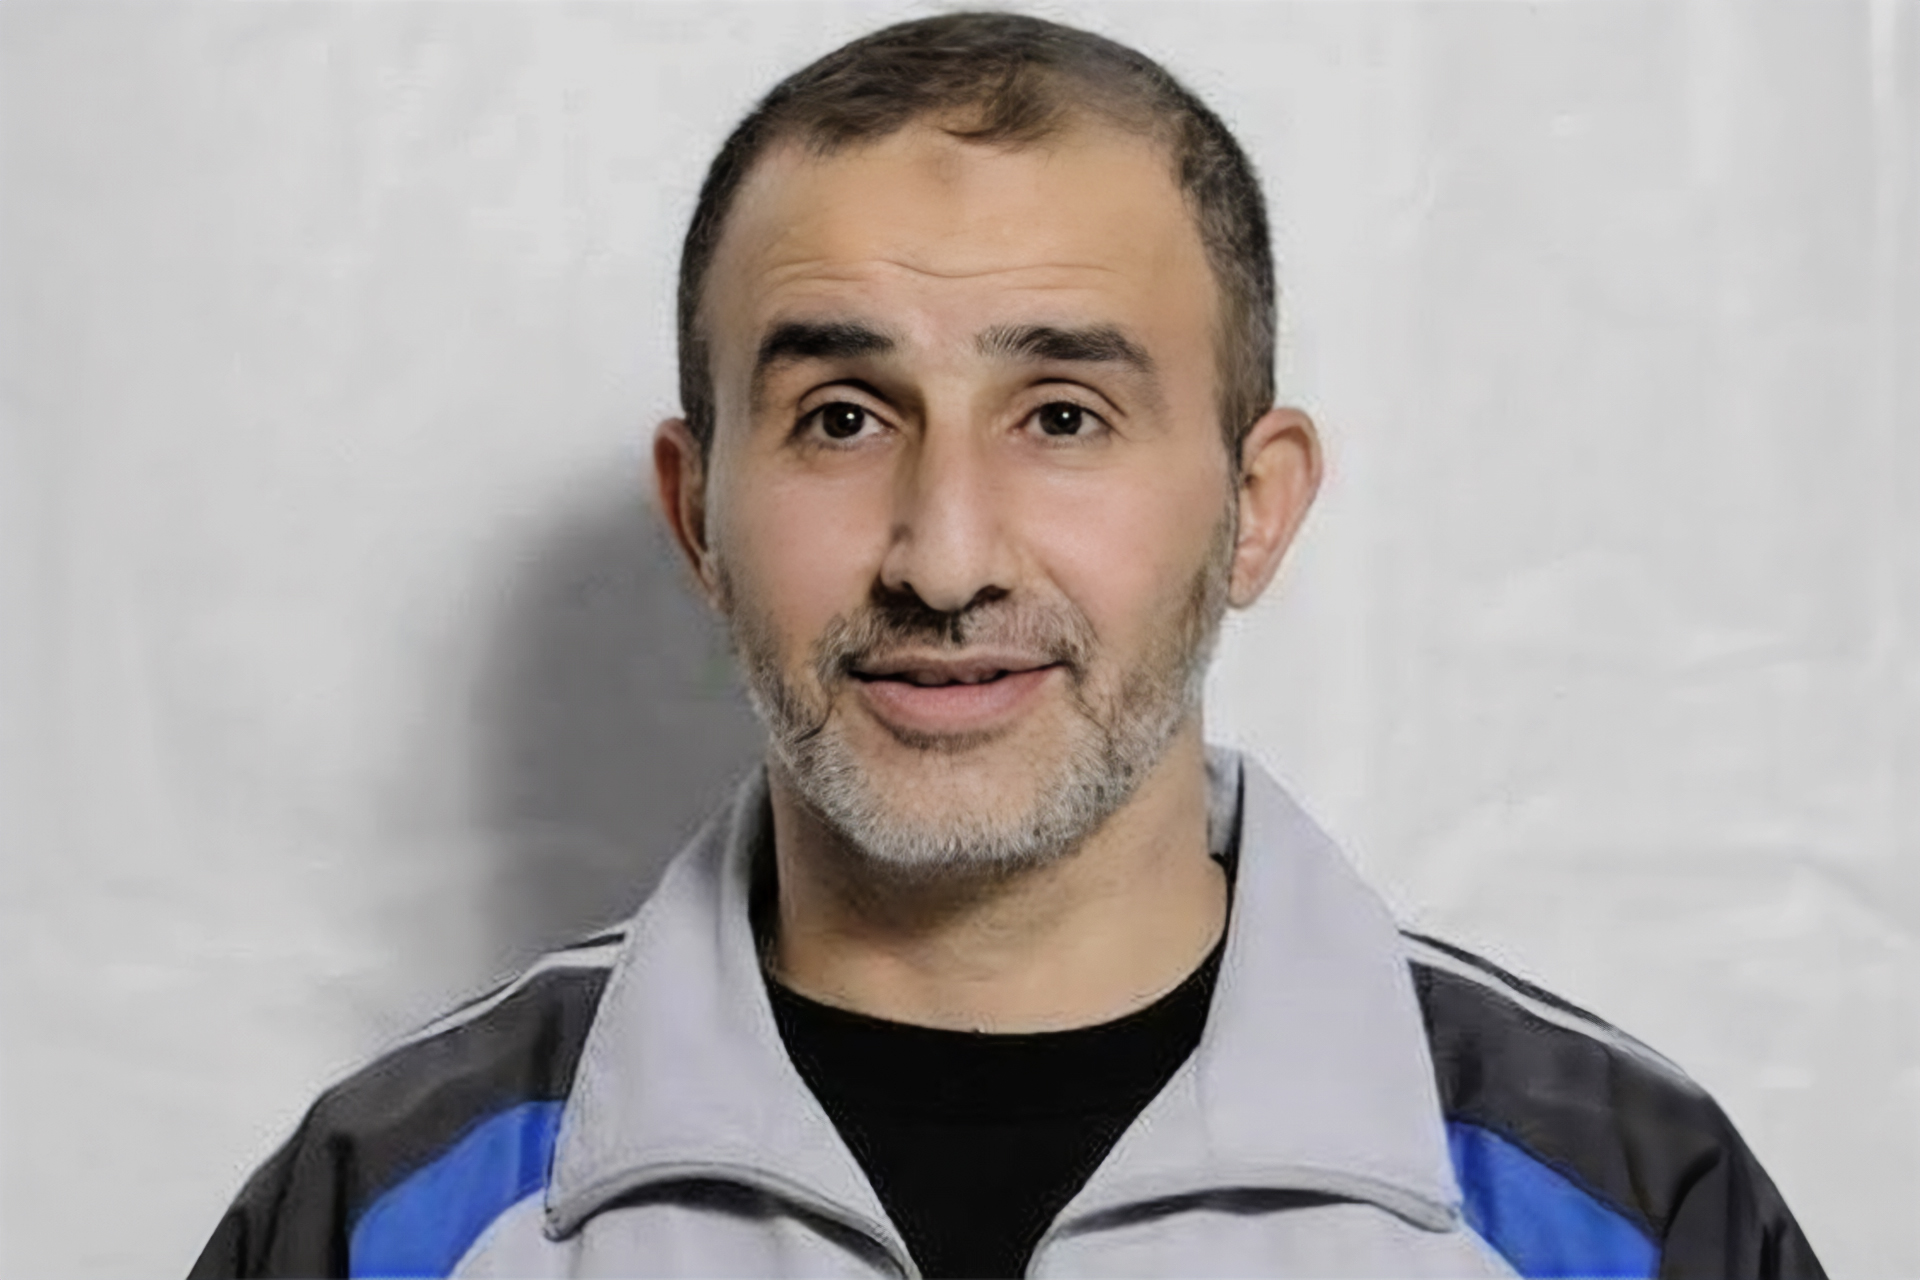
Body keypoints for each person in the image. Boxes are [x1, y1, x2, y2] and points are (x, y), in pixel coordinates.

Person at [191, 13, 1825, 1278]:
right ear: (699, 518)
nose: (946, 557)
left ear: (1254, 508)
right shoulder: (384, 1211)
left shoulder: (1628, 1209)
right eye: (841, 416)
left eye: (1062, 415)